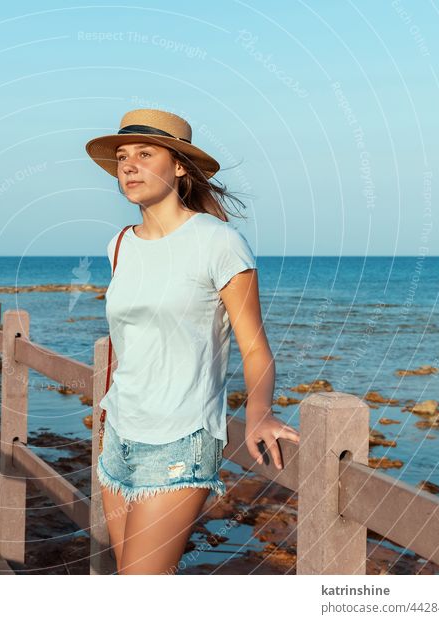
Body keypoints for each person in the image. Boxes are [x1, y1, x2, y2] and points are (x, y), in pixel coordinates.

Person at [85, 109, 300, 574]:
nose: (128, 165)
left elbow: (255, 347)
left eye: (145, 153)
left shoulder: (219, 242)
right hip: (118, 433)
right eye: (122, 156)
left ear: (180, 166)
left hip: (180, 442)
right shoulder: (119, 244)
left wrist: (259, 412)